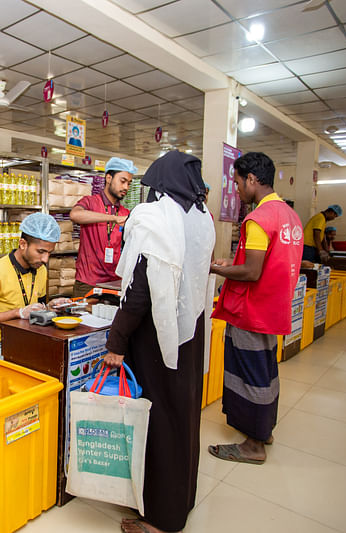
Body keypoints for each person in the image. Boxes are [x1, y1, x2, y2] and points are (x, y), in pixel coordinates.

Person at [103, 150, 215, 533]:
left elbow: (138, 291)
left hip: (158, 339)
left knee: (159, 422)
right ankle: (181, 499)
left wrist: (116, 341)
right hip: (190, 332)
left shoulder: (154, 218)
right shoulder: (200, 218)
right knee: (183, 417)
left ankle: (160, 519)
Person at [209, 152, 303, 465]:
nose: (236, 189)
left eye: (237, 182)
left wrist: (216, 270)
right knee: (266, 372)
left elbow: (252, 272)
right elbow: (269, 262)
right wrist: (231, 263)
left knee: (249, 375)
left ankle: (253, 444)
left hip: (252, 310)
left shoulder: (259, 219)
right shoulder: (288, 215)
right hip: (273, 308)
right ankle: (265, 430)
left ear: (251, 179)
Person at [0, 213, 70, 358]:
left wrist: (50, 307)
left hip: (33, 338)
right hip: (1, 344)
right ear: (23, 244)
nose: (45, 259)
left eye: (49, 253)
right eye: (41, 252)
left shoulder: (41, 270)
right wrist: (18, 313)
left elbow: (38, 307)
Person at [69, 157, 136, 297]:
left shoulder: (125, 213)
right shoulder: (90, 202)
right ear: (108, 178)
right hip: (88, 282)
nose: (126, 187)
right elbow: (75, 215)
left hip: (114, 282)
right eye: (122, 181)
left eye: (129, 183)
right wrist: (113, 219)